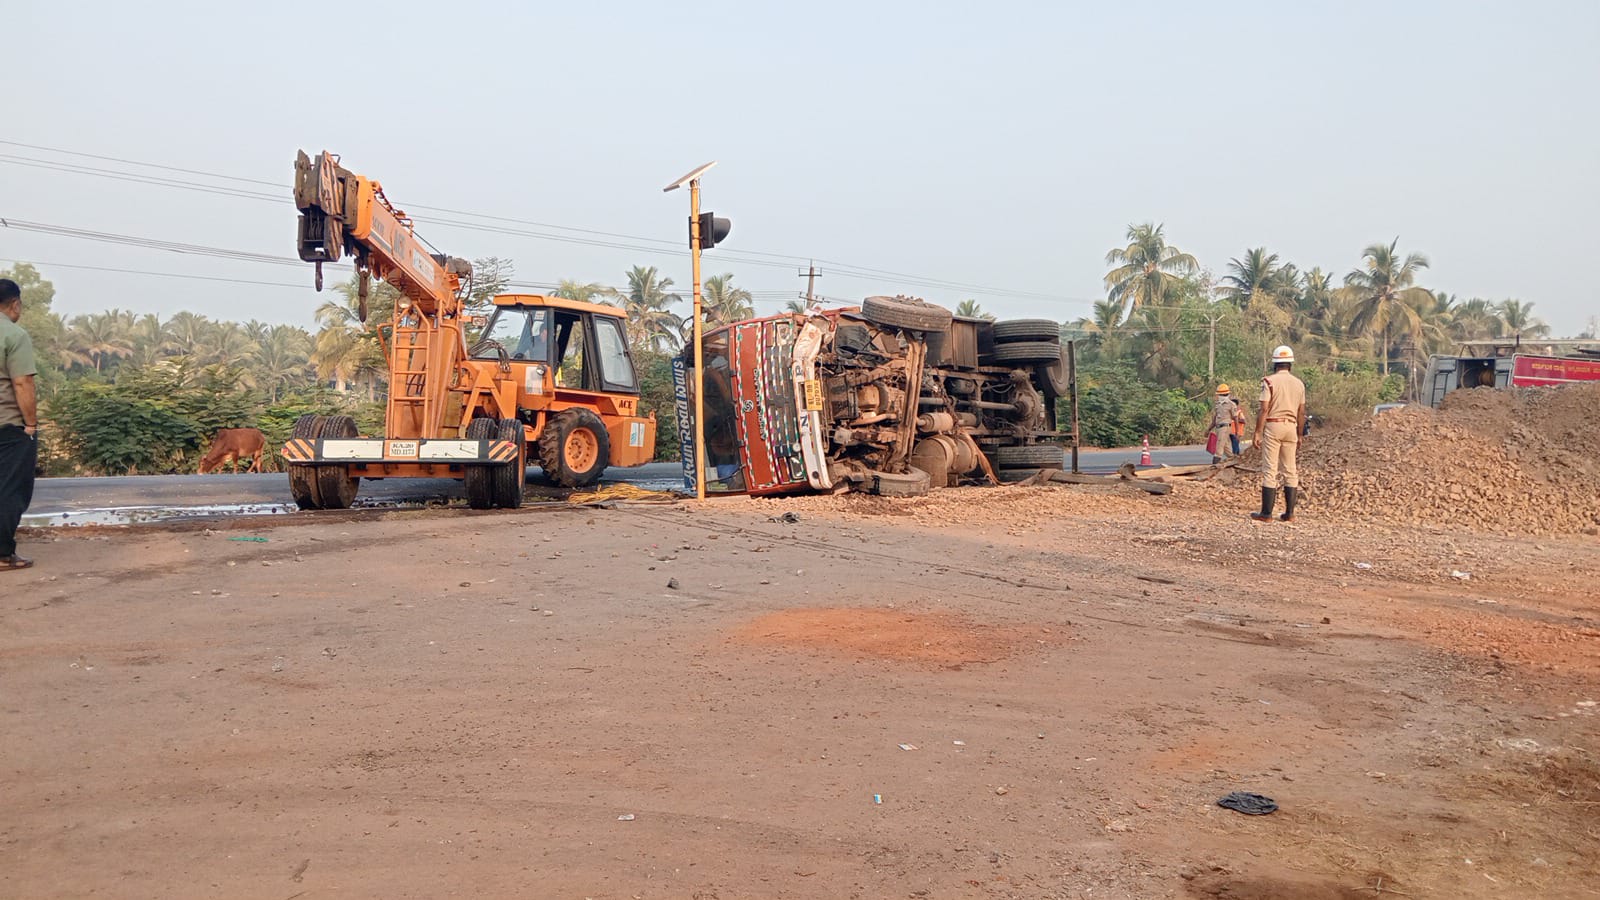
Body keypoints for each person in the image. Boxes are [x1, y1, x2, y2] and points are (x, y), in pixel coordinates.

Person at [1, 278, 40, 570]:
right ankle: (2, 553)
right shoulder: (14, 334)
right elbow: (22, 382)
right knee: (10, 489)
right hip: (8, 426)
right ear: (15, 304)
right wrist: (30, 425)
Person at [1250, 344, 1306, 523]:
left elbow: (1264, 409)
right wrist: (1300, 435)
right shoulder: (1299, 384)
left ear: (1275, 364)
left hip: (1274, 425)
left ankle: (1266, 514)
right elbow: (1301, 413)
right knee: (1290, 470)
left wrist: (1258, 432)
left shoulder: (1269, 381)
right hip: (1291, 427)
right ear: (1290, 364)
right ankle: (1290, 513)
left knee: (1270, 470)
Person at [1209, 384, 1238, 463]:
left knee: (1219, 447)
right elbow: (1215, 418)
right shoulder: (1218, 404)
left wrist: (1237, 432)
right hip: (1218, 427)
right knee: (1225, 447)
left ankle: (1215, 463)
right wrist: (1209, 429)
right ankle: (1234, 459)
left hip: (1225, 427)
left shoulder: (1231, 405)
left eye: (1221, 394)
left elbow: (1235, 418)